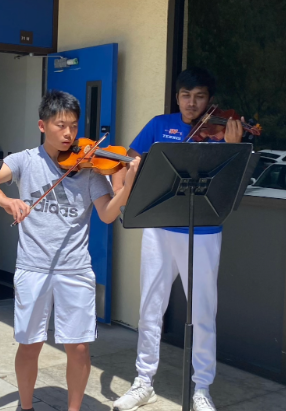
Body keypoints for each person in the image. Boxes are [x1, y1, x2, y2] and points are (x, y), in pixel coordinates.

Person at [0, 90, 140, 411]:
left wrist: (125, 186)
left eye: (73, 125)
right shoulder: (25, 161)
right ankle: (26, 406)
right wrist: (7, 200)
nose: (69, 134)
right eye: (60, 125)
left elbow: (108, 214)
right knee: (30, 345)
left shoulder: (88, 168)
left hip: (76, 270)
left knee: (80, 347)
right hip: (33, 267)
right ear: (43, 125)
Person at [111, 67, 244, 411]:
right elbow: (131, 159)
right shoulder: (159, 125)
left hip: (202, 231)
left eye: (199, 96)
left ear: (209, 100)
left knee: (201, 311)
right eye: (186, 96)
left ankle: (202, 388)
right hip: (158, 227)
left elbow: (234, 183)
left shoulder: (222, 131)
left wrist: (232, 147)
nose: (191, 103)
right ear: (177, 97)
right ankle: (144, 382)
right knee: (150, 306)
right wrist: (125, 188)